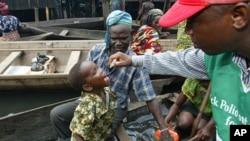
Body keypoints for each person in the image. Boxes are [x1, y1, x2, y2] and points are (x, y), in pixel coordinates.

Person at [108, 0, 250, 141]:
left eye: (193, 21)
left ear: (238, 16)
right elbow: (177, 60)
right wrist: (133, 60)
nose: (187, 31)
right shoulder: (214, 57)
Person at [50, 10, 173, 141]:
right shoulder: (96, 51)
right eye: (114, 38)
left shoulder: (135, 61)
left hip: (116, 106)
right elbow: (83, 80)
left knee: (101, 132)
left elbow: (149, 97)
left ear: (131, 35)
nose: (118, 43)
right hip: (92, 100)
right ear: (109, 35)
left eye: (123, 38)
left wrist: (163, 128)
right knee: (57, 115)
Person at [68, 61, 115, 141]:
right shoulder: (87, 107)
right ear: (88, 87)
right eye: (95, 72)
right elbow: (77, 135)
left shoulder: (106, 91)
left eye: (98, 67)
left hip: (102, 135)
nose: (101, 70)